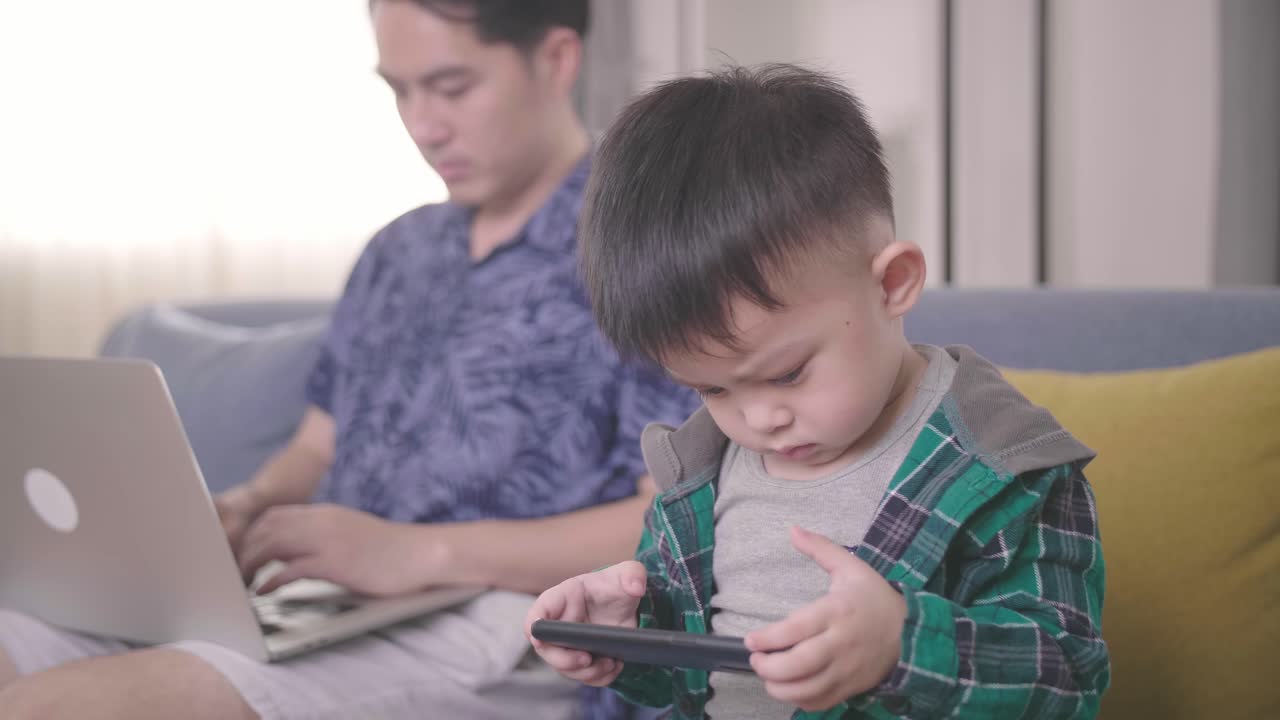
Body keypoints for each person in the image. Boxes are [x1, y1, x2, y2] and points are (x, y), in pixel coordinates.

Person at [0, 1, 697, 718]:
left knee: (57, 705)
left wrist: (418, 553)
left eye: (452, 87)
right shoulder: (397, 251)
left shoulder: (644, 249)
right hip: (331, 606)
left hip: (509, 624)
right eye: (399, 90)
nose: (424, 126)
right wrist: (246, 508)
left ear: (556, 60)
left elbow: (673, 518)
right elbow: (314, 447)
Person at [526, 64, 1111, 718]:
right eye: (712, 388)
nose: (758, 419)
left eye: (788, 373)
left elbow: (1066, 681)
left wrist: (902, 645)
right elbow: (701, 675)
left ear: (893, 284)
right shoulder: (703, 472)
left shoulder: (1006, 471)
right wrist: (630, 634)